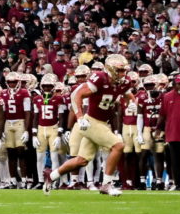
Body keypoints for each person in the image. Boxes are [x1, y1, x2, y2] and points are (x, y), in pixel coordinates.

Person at [47, 55, 132, 195]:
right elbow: (76, 95)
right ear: (111, 69)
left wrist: (132, 104)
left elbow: (128, 95)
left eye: (124, 70)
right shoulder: (100, 78)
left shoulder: (124, 82)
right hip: (91, 122)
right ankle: (106, 184)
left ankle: (50, 177)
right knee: (118, 146)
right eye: (120, 70)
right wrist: (80, 117)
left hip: (103, 123)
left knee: (82, 160)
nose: (123, 74)